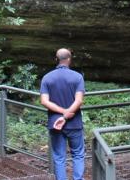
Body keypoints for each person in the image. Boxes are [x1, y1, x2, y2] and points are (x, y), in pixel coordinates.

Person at [40, 48, 85, 180]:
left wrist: (62, 113)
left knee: (59, 157)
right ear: (69, 60)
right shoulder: (77, 77)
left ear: (56, 59)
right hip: (74, 122)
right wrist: (66, 114)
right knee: (77, 154)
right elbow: (79, 100)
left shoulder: (47, 78)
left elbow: (44, 101)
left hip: (55, 123)